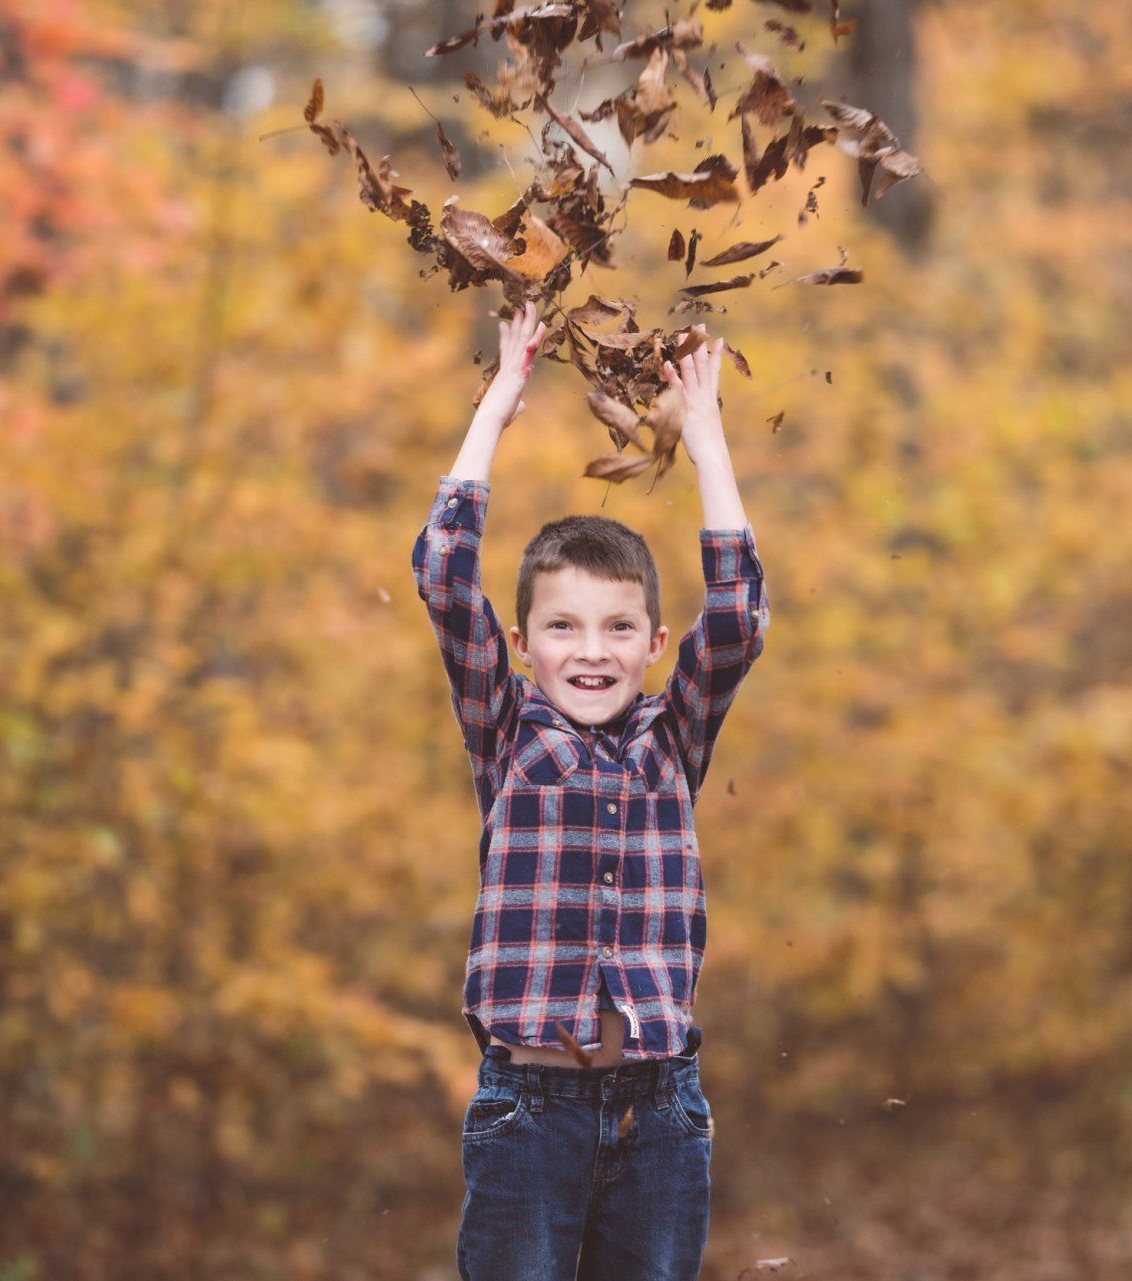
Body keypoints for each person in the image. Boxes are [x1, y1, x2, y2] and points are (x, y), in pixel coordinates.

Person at [410, 298, 771, 1280]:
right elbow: (445, 578)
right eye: (562, 628)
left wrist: (702, 438)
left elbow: (737, 617)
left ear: (655, 646)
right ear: (523, 646)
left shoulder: (673, 736)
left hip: (661, 1111)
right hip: (528, 1114)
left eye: (618, 629)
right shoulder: (509, 731)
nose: (592, 652)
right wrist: (497, 405)